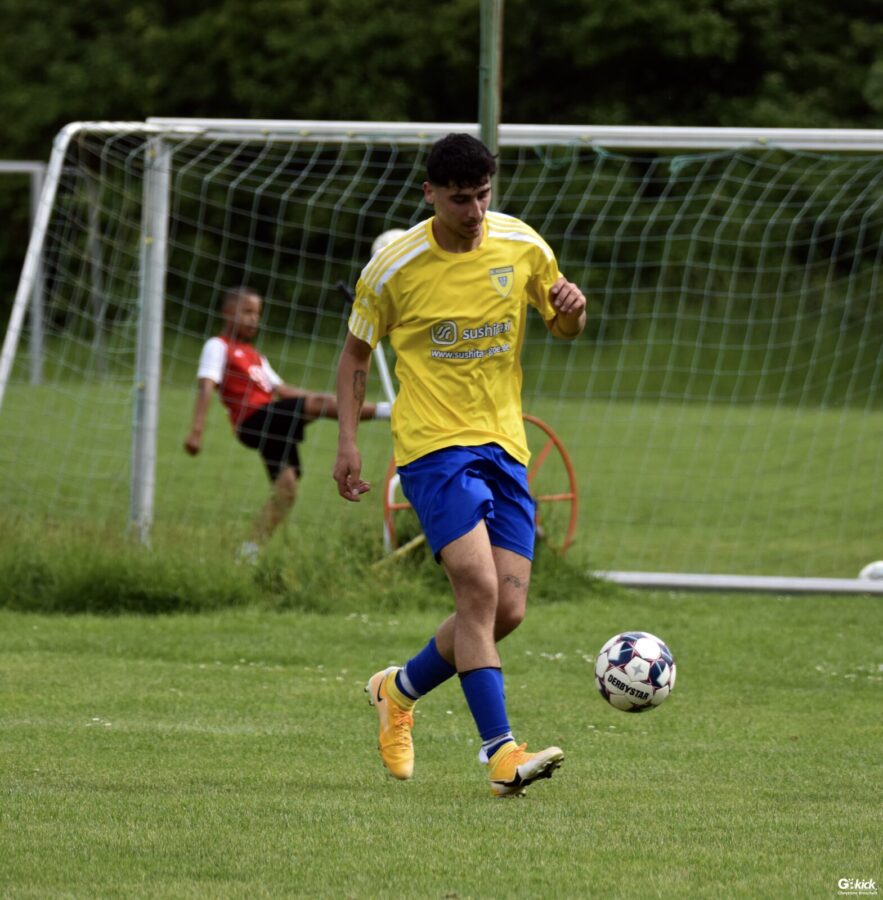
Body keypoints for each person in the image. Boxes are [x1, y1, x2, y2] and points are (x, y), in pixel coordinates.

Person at [332, 134, 586, 797]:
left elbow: (561, 326)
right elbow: (355, 356)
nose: (473, 212)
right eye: (458, 199)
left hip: (504, 446)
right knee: (476, 591)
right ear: (429, 194)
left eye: (482, 196)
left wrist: (573, 313)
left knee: (508, 610)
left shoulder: (522, 246)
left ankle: (398, 690)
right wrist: (349, 442)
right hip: (432, 448)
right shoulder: (394, 268)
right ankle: (501, 755)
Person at [185, 286, 389, 557]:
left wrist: (316, 399)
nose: (253, 319)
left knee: (286, 490)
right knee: (317, 404)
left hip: (273, 424)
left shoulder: (255, 356)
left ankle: (248, 552)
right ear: (227, 311)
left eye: (257, 313)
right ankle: (390, 411)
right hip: (254, 419)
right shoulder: (218, 346)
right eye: (246, 312)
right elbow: (206, 385)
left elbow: (283, 390)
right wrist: (197, 430)